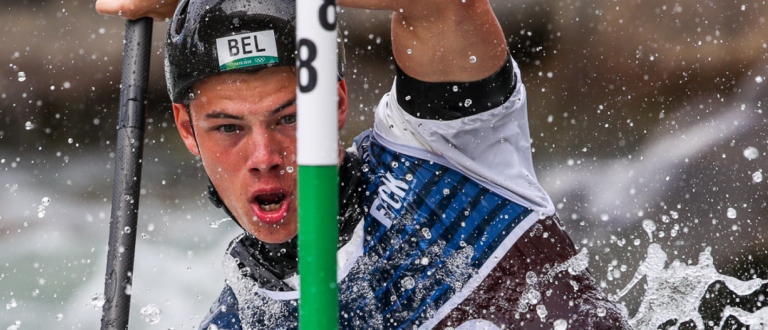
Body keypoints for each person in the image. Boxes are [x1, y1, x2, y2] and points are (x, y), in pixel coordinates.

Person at [96, 0, 631, 328]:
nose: (264, 158)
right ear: (187, 130)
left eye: (289, 118)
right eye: (229, 128)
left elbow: (444, 5)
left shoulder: (444, 147)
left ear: (334, 103)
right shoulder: (241, 324)